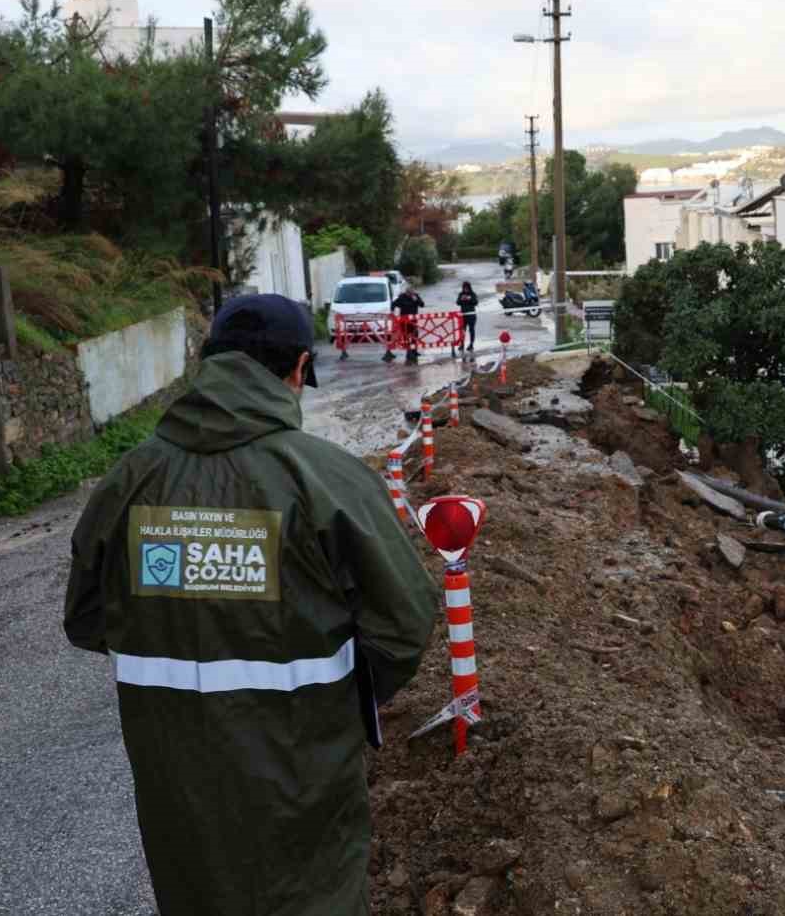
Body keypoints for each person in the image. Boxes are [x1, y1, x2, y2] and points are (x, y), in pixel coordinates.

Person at [64, 294, 438, 916]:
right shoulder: (328, 477)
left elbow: (85, 620)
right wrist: (340, 698)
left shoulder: (130, 479)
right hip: (306, 761)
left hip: (174, 771)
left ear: (209, 362)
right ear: (298, 368)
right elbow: (405, 622)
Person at [390, 286, 425, 364]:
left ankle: (414, 351)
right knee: (406, 336)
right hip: (404, 321)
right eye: (409, 293)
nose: (411, 294)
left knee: (415, 335)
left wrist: (417, 300)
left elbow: (422, 305)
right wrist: (392, 312)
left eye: (412, 293)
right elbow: (393, 304)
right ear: (406, 293)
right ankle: (408, 352)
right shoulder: (402, 297)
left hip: (413, 320)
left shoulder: (415, 296)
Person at [455, 281, 479, 353]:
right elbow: (457, 302)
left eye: (467, 288)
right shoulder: (461, 294)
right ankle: (462, 345)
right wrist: (461, 299)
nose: (465, 289)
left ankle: (471, 344)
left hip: (471, 315)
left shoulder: (473, 294)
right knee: (462, 330)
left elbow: (476, 302)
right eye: (464, 288)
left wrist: (469, 299)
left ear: (469, 288)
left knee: (471, 330)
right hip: (463, 316)